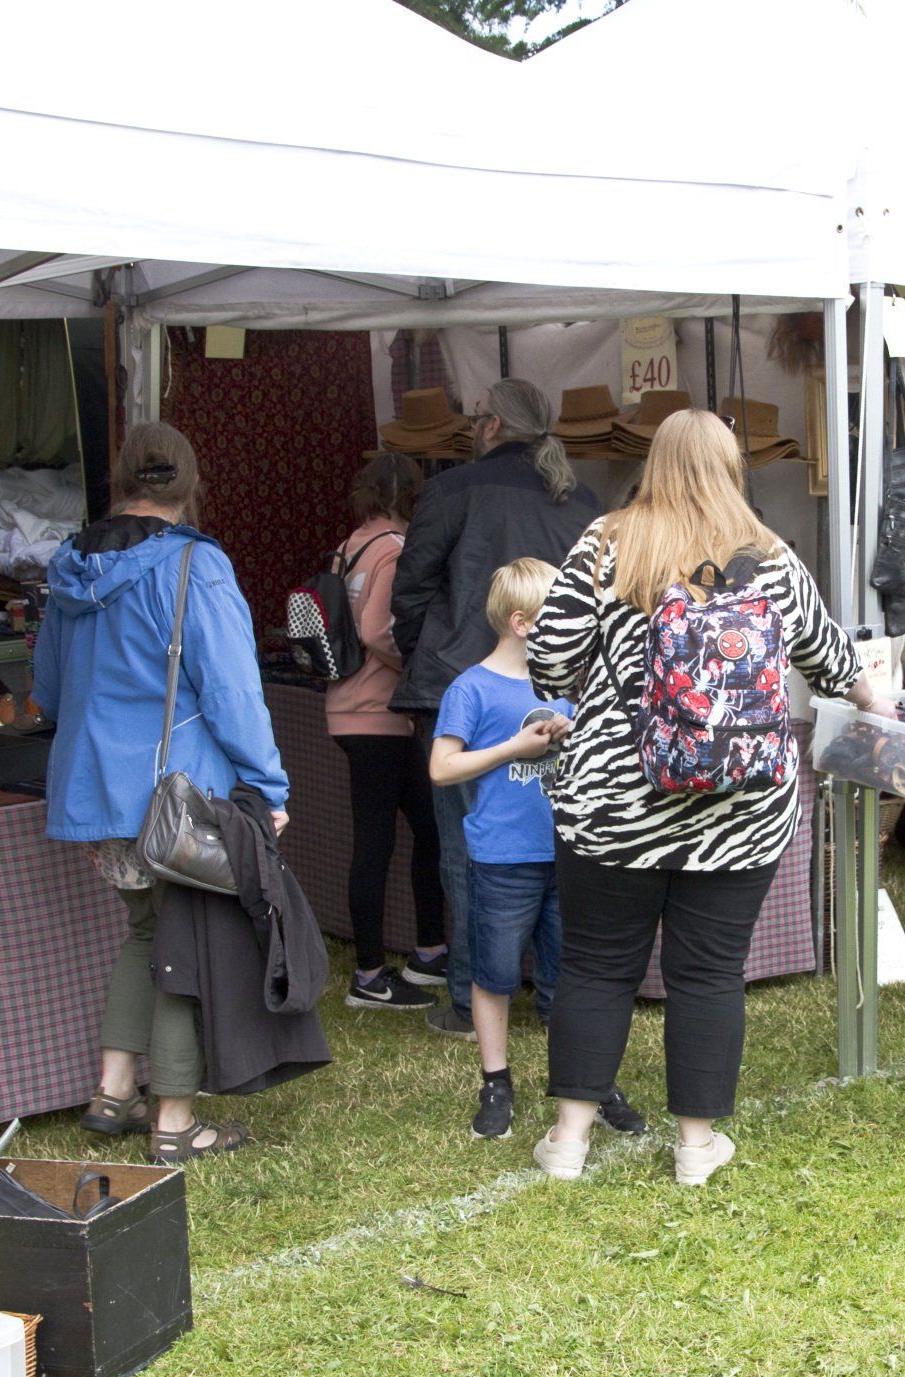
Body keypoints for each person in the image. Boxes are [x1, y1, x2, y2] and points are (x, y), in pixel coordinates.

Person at [526, 410, 893, 1187]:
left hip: (615, 805)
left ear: (654, 462)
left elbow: (550, 664)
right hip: (741, 808)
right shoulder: (770, 555)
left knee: (596, 964)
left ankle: (568, 1140)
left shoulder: (604, 544)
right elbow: (831, 660)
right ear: (731, 467)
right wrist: (882, 705)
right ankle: (696, 1147)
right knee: (710, 971)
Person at [35, 421, 289, 1163]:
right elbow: (235, 691)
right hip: (173, 795)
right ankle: (174, 1123)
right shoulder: (194, 565)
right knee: (188, 944)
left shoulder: (69, 565)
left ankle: (114, 1091)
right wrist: (268, 785)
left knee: (146, 932)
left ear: (120, 479)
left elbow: (48, 691)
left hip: (93, 792)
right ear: (191, 483)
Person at [391, 379, 602, 1041]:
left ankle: (469, 1000)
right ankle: (558, 998)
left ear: (489, 426)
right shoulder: (582, 501)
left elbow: (409, 593)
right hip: (561, 693)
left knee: (467, 849)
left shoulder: (451, 489)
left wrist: (426, 661)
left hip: (464, 686)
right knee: (561, 841)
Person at [429, 559, 576, 1139]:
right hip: (502, 859)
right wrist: (514, 747)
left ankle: (580, 1080)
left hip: (567, 853)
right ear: (521, 623)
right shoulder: (471, 688)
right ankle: (496, 1082)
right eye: (557, 618)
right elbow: (442, 767)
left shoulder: (566, 686)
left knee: (570, 975)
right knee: (494, 975)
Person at [326, 452, 446, 1012]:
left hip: (348, 706)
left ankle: (428, 951)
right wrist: (420, 668)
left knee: (423, 827)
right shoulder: (395, 550)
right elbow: (379, 630)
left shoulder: (349, 546)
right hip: (380, 712)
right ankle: (372, 975)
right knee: (388, 839)